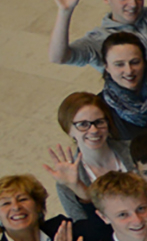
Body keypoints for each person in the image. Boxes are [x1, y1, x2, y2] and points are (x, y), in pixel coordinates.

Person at [45, 93, 138, 222]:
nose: (94, 130)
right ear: (69, 130)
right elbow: (84, 228)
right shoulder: (66, 182)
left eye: (99, 122)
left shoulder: (134, 150)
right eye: (83, 124)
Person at [0, 174, 70, 241]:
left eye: (22, 199)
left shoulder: (61, 229)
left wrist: (78, 188)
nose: (16, 207)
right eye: (6, 203)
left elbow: (96, 225)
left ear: (38, 206)